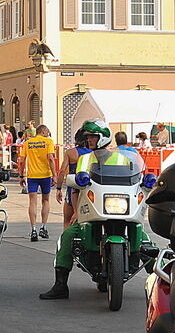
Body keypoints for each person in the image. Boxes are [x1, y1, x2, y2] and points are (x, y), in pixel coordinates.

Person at [40, 120, 122, 300]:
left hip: (117, 209)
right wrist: (77, 211)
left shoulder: (120, 158)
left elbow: (133, 179)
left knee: (145, 240)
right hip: (91, 210)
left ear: (103, 138)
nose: (89, 139)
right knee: (67, 236)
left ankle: (165, 282)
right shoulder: (85, 159)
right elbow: (76, 186)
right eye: (88, 137)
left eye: (93, 136)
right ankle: (60, 285)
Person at [18, 123, 57, 242]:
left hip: (32, 176)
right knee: (45, 200)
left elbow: (22, 160)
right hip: (45, 175)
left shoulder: (28, 143)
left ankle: (33, 229)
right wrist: (54, 174)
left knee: (32, 202)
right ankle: (43, 227)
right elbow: (50, 158)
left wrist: (21, 175)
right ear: (44, 132)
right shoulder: (48, 142)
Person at [56, 129, 96, 228]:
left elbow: (62, 171)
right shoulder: (95, 153)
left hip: (73, 186)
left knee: (68, 221)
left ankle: (67, 241)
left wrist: (58, 188)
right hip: (91, 188)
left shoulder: (70, 153)